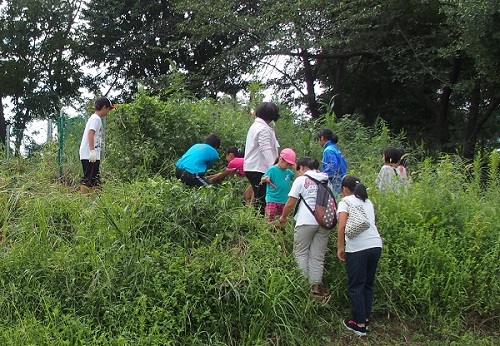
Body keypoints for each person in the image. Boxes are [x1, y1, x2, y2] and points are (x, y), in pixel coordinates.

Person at [278, 157, 331, 297]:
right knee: (317, 256)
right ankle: (315, 288)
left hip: (305, 221)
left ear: (301, 167)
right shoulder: (326, 179)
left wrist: (283, 217)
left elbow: (290, 203)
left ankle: (301, 288)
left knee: (300, 253)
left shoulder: (301, 180)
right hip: (324, 222)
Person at [337, 175, 383, 336]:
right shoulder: (367, 202)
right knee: (367, 285)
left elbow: (342, 226)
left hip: (358, 248)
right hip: (375, 245)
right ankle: (365, 317)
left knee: (356, 285)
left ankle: (359, 324)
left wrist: (340, 247)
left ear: (344, 189)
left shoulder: (345, 202)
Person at [244, 102, 280, 214]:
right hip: (259, 168)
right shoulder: (263, 129)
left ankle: (256, 222)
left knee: (259, 197)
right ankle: (258, 225)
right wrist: (274, 168)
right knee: (262, 199)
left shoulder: (256, 126)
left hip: (253, 167)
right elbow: (266, 149)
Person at [79, 96, 115, 194]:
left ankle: (94, 203)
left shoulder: (94, 118)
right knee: (88, 180)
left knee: (95, 180)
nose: (108, 111)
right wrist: (92, 151)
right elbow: (90, 134)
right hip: (89, 155)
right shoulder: (96, 119)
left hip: (91, 154)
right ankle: (83, 202)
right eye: (108, 109)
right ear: (104, 107)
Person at [261, 148, 296, 222]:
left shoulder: (288, 172)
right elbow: (262, 179)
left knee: (282, 220)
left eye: (290, 165)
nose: (288, 166)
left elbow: (297, 179)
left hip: (284, 200)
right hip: (272, 198)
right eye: (287, 164)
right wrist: (266, 179)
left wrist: (296, 169)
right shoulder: (272, 169)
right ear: (280, 159)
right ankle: (267, 231)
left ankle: (277, 232)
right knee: (269, 217)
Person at [317, 128, 348, 196]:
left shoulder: (328, 150)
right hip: (342, 178)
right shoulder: (335, 148)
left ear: (322, 138)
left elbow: (333, 165)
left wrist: (322, 176)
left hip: (335, 181)